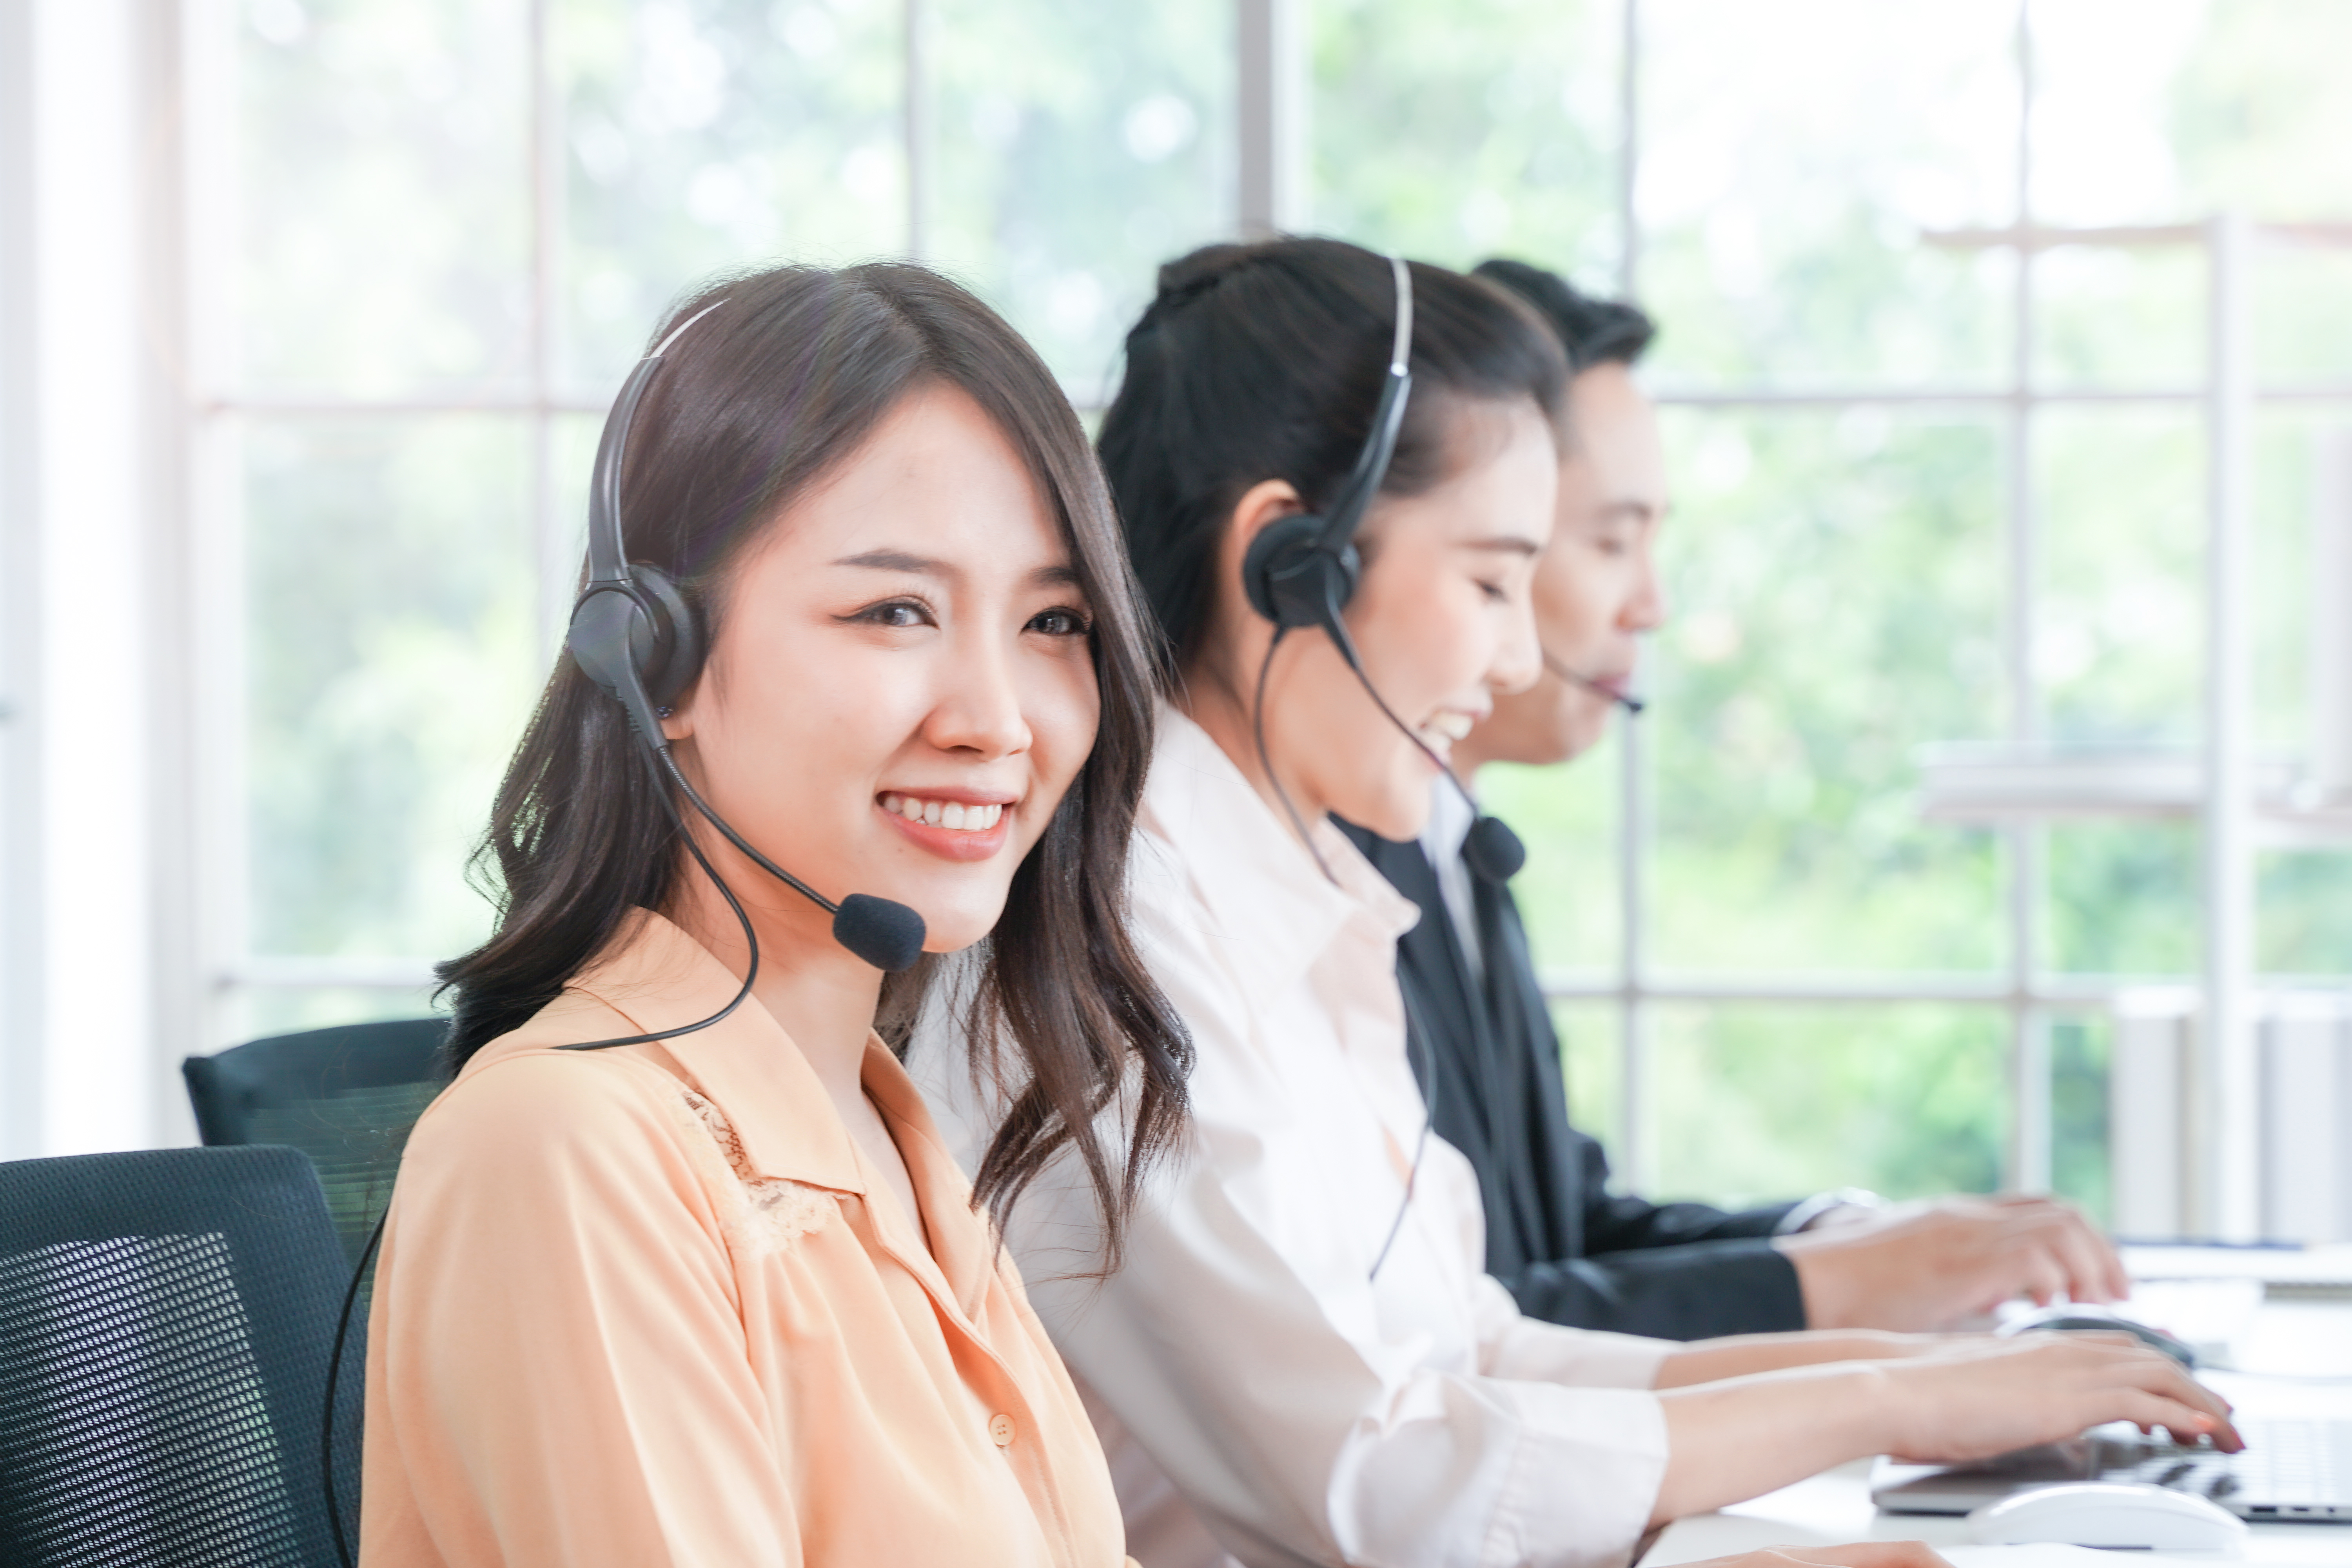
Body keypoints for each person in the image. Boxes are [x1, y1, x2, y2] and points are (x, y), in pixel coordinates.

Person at [914, 238, 2233, 1568]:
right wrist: (1895, 1398)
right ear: (1288, 562)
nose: (1519, 654)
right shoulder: (1117, 928)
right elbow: (1373, 1488)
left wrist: (1905, 1382)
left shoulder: (1297, 891)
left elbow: (1473, 1345)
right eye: (1491, 580)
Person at [359, 262, 1194, 1567]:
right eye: (895, 610)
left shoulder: (879, 1126)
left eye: (1053, 620)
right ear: (658, 661)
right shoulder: (569, 1150)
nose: (995, 719)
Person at [1336, 257, 2129, 1342]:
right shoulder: (1318, 880)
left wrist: (1859, 1236)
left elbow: (1566, 1229)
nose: (1652, 606)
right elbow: (1460, 1327)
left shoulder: (1456, 844)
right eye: (1611, 543)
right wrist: (1855, 1295)